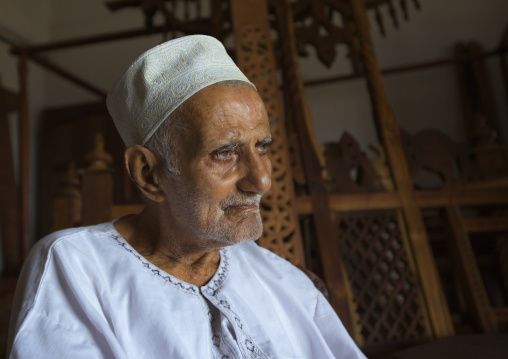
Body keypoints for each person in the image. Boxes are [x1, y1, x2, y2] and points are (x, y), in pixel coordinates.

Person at [7, 35, 366, 359]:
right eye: (225, 153)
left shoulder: (280, 279)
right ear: (148, 174)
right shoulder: (75, 267)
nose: (261, 180)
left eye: (263, 147)